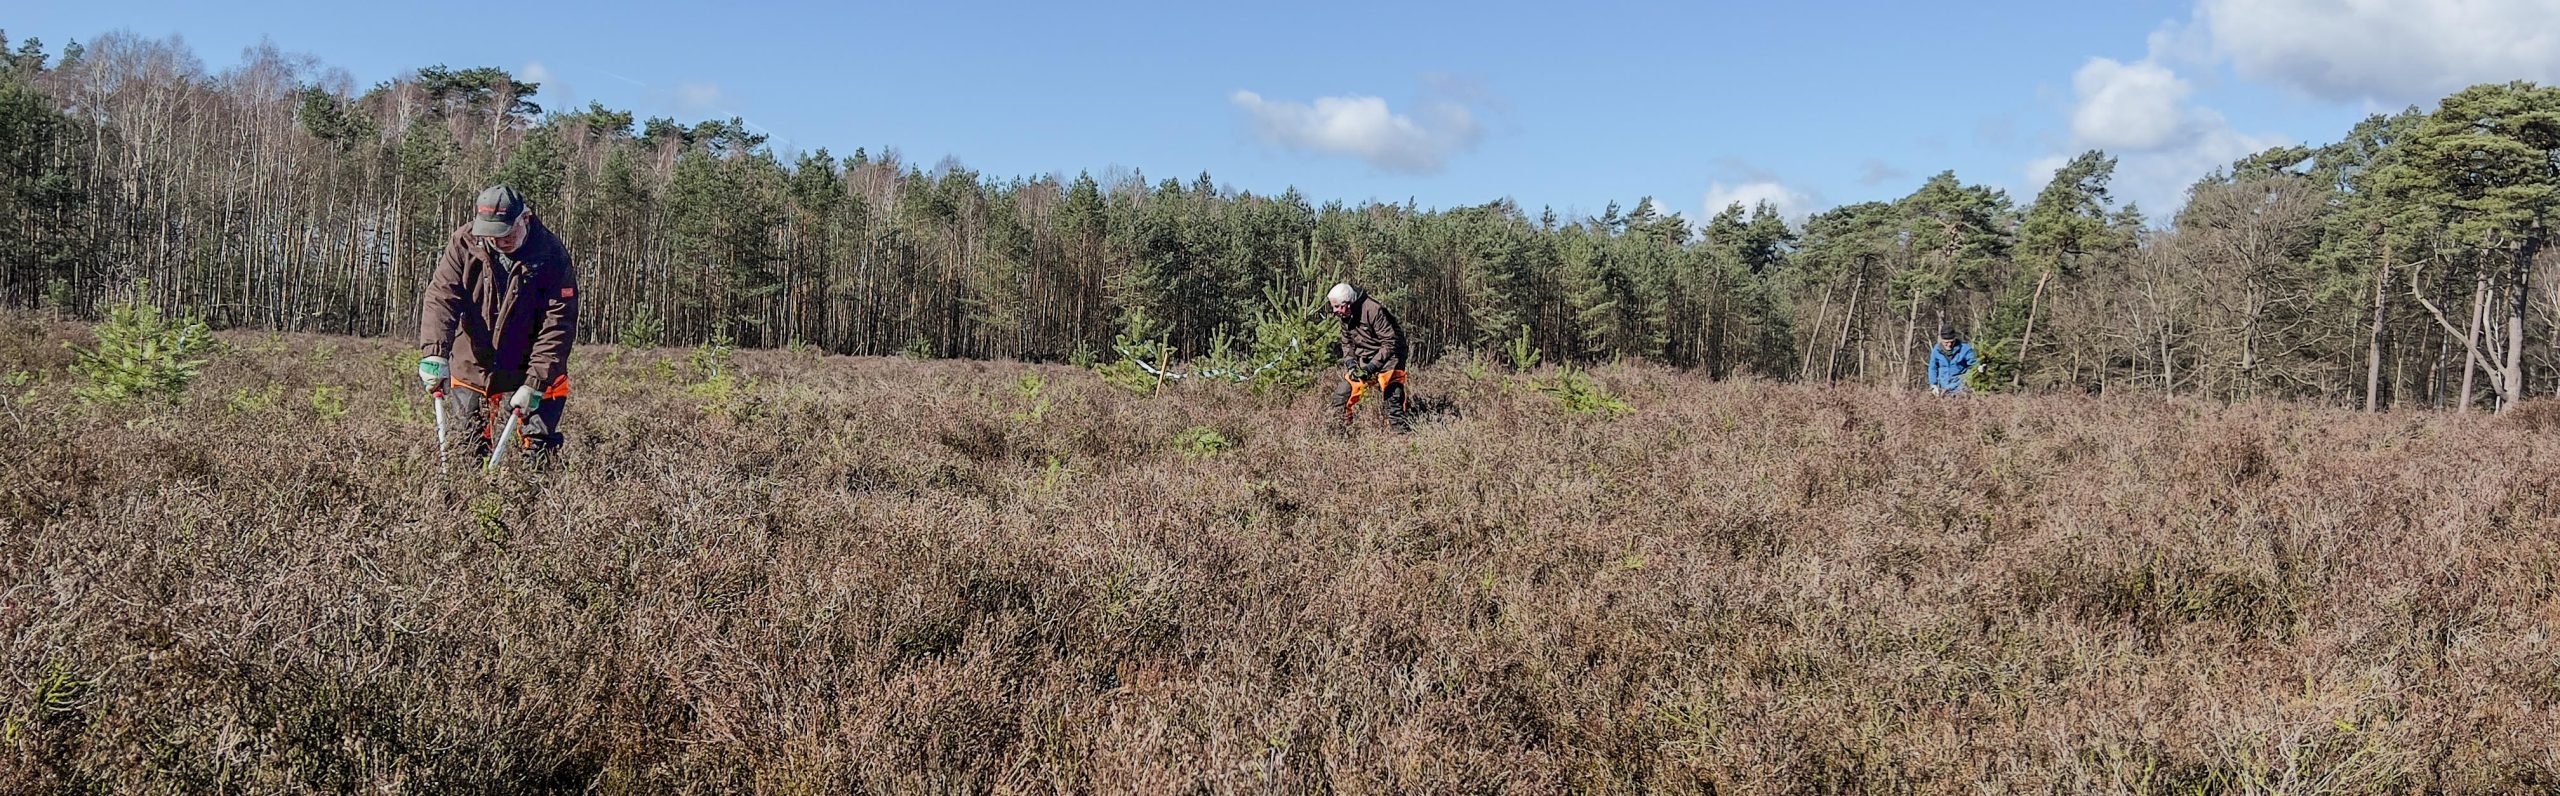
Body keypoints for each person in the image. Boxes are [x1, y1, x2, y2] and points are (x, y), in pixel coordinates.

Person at [415, 185, 580, 461]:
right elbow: (442, 296)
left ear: (524, 219)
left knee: (536, 454)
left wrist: (535, 382)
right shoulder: (464, 242)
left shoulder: (552, 255)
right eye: (490, 234)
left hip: (532, 365)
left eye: (505, 233)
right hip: (473, 364)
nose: (497, 241)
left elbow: (558, 326)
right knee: (467, 450)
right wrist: (434, 352)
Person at [1326, 282, 1409, 432]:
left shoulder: (1373, 310)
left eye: (1337, 306)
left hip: (1392, 355)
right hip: (1364, 356)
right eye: (1333, 307)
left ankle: (1401, 436)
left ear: (1349, 303)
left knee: (1393, 397)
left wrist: (1371, 367)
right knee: (1341, 396)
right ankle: (1339, 433)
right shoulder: (1345, 314)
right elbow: (1347, 343)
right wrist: (1351, 364)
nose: (1335, 310)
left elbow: (1390, 343)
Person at [1927, 326, 1975, 396]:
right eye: (1946, 342)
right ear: (1941, 340)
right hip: (1943, 388)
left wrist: (1966, 380)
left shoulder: (1965, 349)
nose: (1949, 345)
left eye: (1951, 342)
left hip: (1961, 387)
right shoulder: (1936, 350)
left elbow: (1973, 366)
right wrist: (1933, 384)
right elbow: (1932, 368)